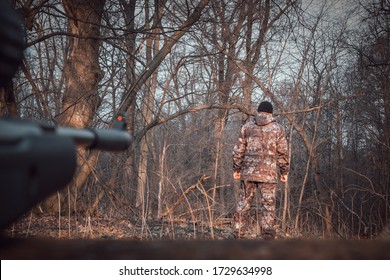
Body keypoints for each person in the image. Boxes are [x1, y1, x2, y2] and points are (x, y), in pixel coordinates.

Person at [232, 101, 289, 240]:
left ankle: (238, 235)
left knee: (243, 205)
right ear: (270, 113)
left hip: (248, 173)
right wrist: (284, 171)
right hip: (268, 175)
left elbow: (238, 150)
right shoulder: (278, 129)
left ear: (258, 112)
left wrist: (237, 168)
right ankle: (268, 238)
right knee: (268, 207)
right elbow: (283, 152)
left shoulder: (247, 127)